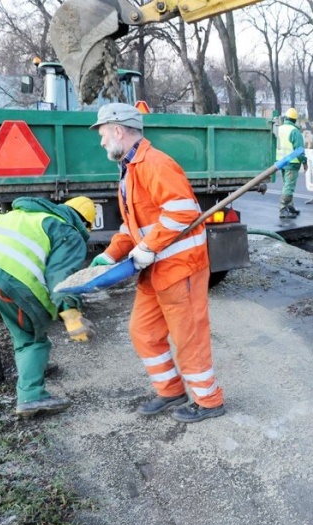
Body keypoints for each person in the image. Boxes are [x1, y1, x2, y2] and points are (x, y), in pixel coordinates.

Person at [88, 102, 225, 423]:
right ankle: (171, 391)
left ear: (119, 130)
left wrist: (147, 248)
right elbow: (132, 227)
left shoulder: (155, 164)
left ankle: (209, 401)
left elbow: (182, 213)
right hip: (154, 269)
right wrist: (112, 253)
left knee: (188, 337)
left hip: (180, 268)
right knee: (143, 331)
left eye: (104, 134)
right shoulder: (129, 169)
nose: (102, 141)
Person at [0, 195, 96, 417]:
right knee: (32, 337)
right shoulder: (66, 231)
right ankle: (31, 396)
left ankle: (35, 366)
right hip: (5, 280)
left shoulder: (20, 214)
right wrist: (71, 314)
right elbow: (61, 277)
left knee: (19, 321)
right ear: (86, 224)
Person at [276, 107, 308, 218]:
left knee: (286, 184)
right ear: (295, 120)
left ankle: (290, 206)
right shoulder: (295, 131)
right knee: (289, 186)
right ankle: (283, 207)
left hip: (281, 162)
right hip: (291, 163)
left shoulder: (279, 129)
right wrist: (304, 162)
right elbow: (299, 150)